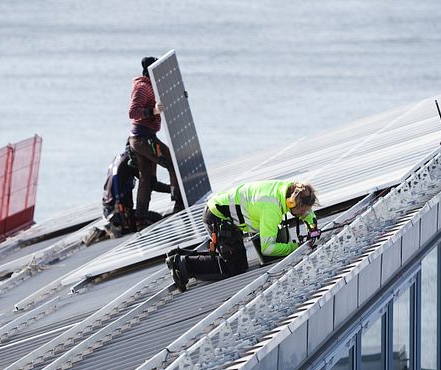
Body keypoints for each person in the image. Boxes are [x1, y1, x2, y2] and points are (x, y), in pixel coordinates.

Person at [165, 180, 318, 291]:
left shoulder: (286, 189)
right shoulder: (272, 209)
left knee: (238, 260)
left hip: (227, 216)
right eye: (303, 210)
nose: (304, 213)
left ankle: (183, 256)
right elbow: (268, 248)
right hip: (217, 217)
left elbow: (303, 206)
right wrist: (296, 247)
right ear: (291, 203)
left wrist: (312, 223)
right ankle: (183, 264)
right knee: (234, 267)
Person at [128, 56, 184, 229]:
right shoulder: (143, 87)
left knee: (147, 178)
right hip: (143, 139)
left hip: (143, 138)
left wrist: (181, 97)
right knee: (173, 162)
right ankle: (179, 204)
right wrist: (152, 111)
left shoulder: (153, 87)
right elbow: (132, 113)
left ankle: (140, 217)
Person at [101, 147, 169, 238]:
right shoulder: (130, 164)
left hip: (108, 211)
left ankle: (114, 225)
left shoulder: (119, 159)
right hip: (119, 214)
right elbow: (151, 184)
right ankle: (119, 226)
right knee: (157, 219)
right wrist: (172, 189)